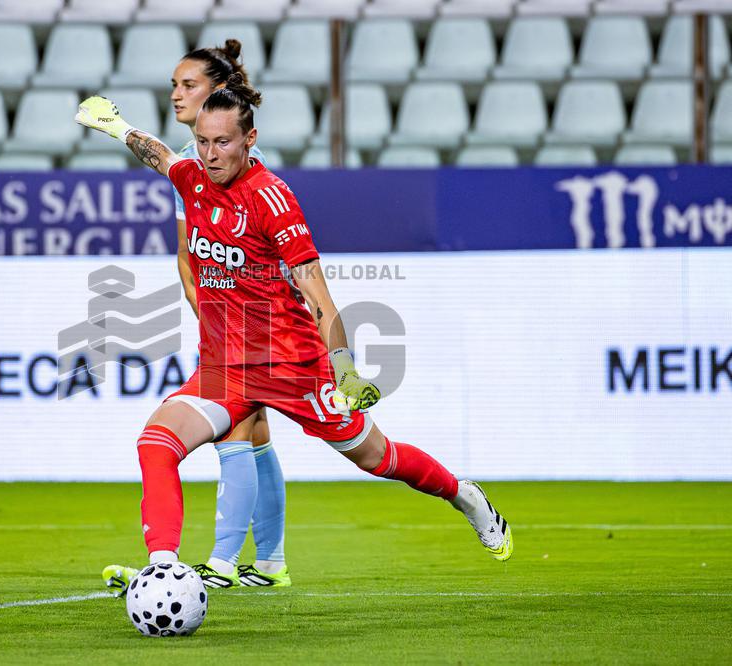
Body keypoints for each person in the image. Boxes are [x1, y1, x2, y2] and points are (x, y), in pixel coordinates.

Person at [77, 77, 513, 578]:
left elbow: (317, 295)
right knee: (156, 444)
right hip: (225, 369)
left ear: (250, 139)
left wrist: (345, 372)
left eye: (223, 142)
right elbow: (158, 155)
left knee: (377, 457)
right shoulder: (191, 177)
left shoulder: (272, 199)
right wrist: (117, 127)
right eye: (202, 141)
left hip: (292, 365)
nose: (210, 155)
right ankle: (164, 571)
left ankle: (463, 494)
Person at [104, 40, 288, 592]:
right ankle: (269, 563)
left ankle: (223, 564)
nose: (176, 94)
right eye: (174, 85)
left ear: (217, 92)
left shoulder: (235, 164)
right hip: (227, 323)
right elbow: (189, 258)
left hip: (254, 324)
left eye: (188, 85)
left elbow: (247, 258)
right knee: (254, 432)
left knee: (238, 429)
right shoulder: (194, 158)